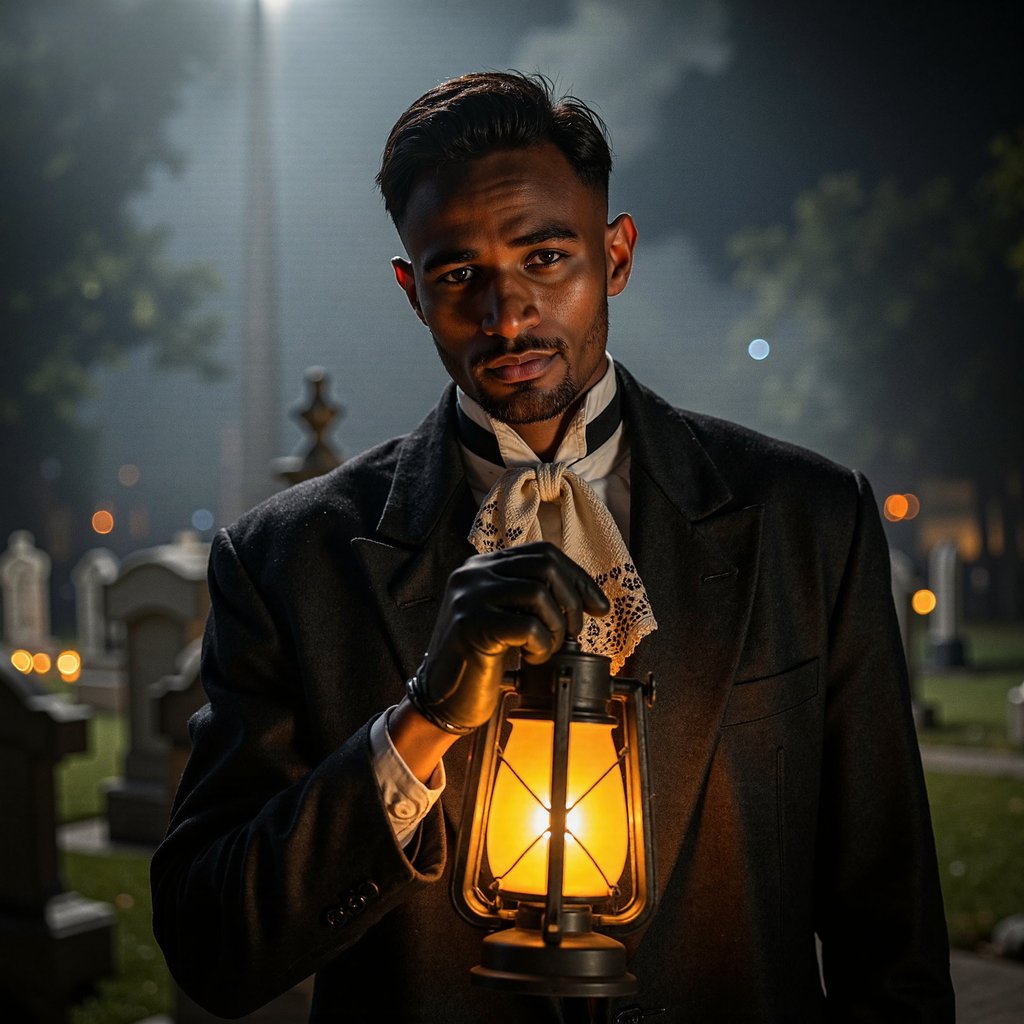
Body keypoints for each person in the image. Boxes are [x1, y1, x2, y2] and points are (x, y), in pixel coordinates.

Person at [150, 71, 955, 1023]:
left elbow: (889, 936)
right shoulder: (288, 559)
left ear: (615, 254)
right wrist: (421, 722)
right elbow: (212, 945)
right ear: (411, 290)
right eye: (460, 275)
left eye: (544, 257)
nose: (507, 315)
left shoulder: (808, 518)